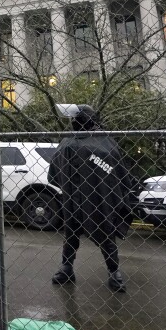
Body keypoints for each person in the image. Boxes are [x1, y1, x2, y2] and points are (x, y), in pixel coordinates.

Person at [49, 104, 135, 292]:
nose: (72, 122)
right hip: (74, 199)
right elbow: (56, 168)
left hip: (98, 199)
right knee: (71, 233)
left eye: (75, 119)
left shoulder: (102, 142)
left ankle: (114, 271)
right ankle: (67, 267)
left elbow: (115, 169)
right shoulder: (69, 141)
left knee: (105, 233)